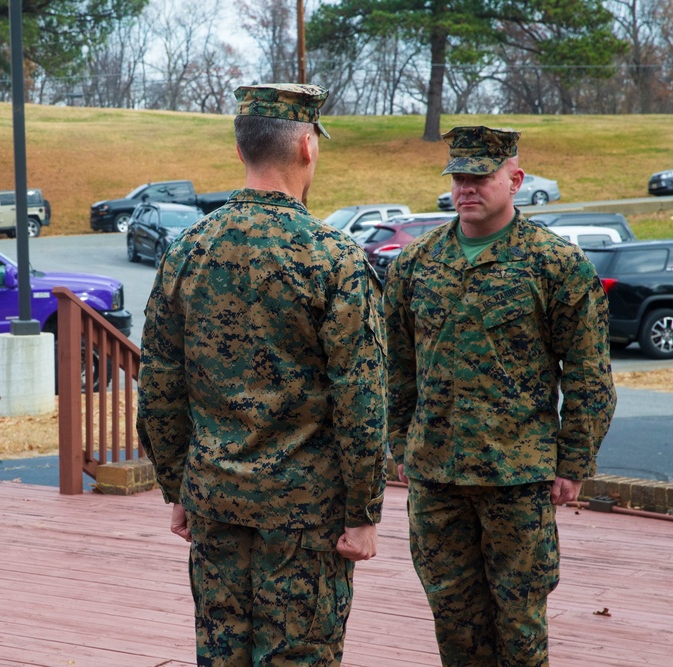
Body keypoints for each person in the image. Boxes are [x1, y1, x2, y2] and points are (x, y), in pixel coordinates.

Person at [137, 83, 388, 665]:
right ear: (307, 145)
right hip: (307, 514)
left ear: (240, 149)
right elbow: (361, 400)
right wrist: (363, 512)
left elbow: (159, 385)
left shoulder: (187, 250)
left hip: (216, 499)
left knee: (221, 655)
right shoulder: (333, 258)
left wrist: (178, 486)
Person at [384, 126, 616, 667]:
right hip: (436, 476)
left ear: (514, 180)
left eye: (480, 177)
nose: (467, 188)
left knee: (519, 619)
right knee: (453, 615)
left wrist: (573, 461)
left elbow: (588, 374)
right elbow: (396, 366)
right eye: (459, 177)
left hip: (518, 474)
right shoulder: (415, 265)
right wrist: (400, 443)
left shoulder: (555, 265)